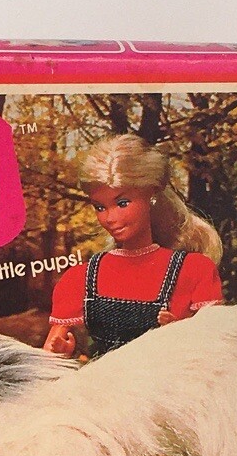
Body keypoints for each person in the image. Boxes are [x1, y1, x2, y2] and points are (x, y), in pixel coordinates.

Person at [44, 134, 224, 359]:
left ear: (151, 196)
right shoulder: (81, 278)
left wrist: (179, 334)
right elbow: (50, 351)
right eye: (100, 207)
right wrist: (62, 353)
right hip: (105, 379)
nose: (110, 218)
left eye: (122, 203)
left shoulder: (193, 270)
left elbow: (217, 348)